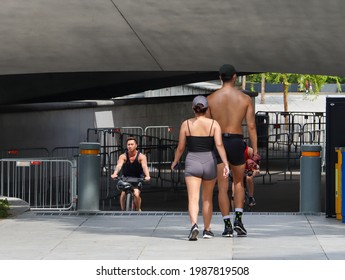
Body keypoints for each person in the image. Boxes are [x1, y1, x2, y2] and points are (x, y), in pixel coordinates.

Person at [206, 64, 260, 237]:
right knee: (239, 182)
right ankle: (239, 220)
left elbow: (207, 126)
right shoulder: (244, 99)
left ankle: (227, 225)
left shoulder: (211, 99)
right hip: (237, 141)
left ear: (220, 77)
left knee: (222, 187)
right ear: (235, 77)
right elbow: (251, 126)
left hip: (219, 141)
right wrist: (255, 150)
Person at [171, 95, 230, 241]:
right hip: (209, 161)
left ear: (193, 108)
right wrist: (225, 163)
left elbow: (180, 147)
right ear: (206, 109)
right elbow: (219, 145)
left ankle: (194, 225)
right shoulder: (213, 124)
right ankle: (207, 230)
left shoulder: (186, 124)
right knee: (207, 198)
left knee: (193, 198)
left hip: (192, 161)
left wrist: (175, 161)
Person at [111, 137, 150, 211]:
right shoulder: (123, 156)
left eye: (132, 144)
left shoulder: (141, 156)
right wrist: (114, 173)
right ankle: (123, 211)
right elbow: (119, 165)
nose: (130, 146)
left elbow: (144, 166)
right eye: (128, 144)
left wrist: (147, 176)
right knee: (122, 195)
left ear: (136, 145)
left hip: (137, 178)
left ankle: (138, 209)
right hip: (126, 178)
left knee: (136, 194)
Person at [231, 142, 260, 210]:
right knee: (233, 192)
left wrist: (256, 170)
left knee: (248, 178)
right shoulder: (233, 151)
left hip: (248, 169)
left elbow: (256, 162)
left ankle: (251, 197)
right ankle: (233, 210)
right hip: (237, 169)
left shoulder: (249, 150)